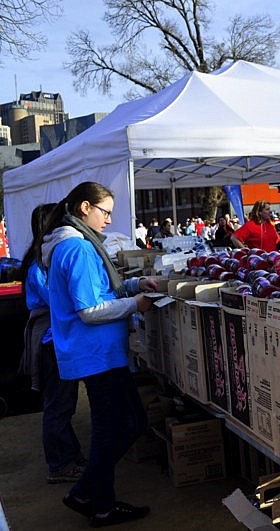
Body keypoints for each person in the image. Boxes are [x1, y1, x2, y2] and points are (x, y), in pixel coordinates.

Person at [40, 182, 157, 527]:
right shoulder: (76, 247)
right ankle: (91, 497)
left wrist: (134, 286)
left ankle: (97, 500)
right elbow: (90, 310)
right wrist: (134, 303)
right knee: (121, 426)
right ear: (84, 208)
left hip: (99, 353)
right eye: (104, 212)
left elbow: (100, 291)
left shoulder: (75, 243)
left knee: (121, 425)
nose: (108, 220)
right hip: (97, 354)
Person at [18, 203, 86, 485]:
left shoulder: (44, 260)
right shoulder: (38, 266)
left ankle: (69, 454)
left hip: (57, 338)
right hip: (50, 341)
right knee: (58, 404)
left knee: (65, 402)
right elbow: (57, 297)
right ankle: (59, 464)